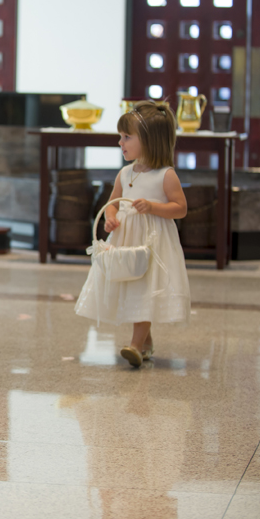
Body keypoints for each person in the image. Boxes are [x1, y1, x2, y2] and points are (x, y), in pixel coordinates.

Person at [74, 101, 191, 367]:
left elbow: (180, 208)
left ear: (149, 141)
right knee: (133, 287)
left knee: (145, 289)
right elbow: (112, 203)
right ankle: (145, 342)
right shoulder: (125, 173)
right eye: (121, 136)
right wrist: (112, 219)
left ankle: (136, 345)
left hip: (153, 244)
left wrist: (153, 207)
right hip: (127, 241)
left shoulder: (166, 175)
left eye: (127, 137)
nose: (120, 142)